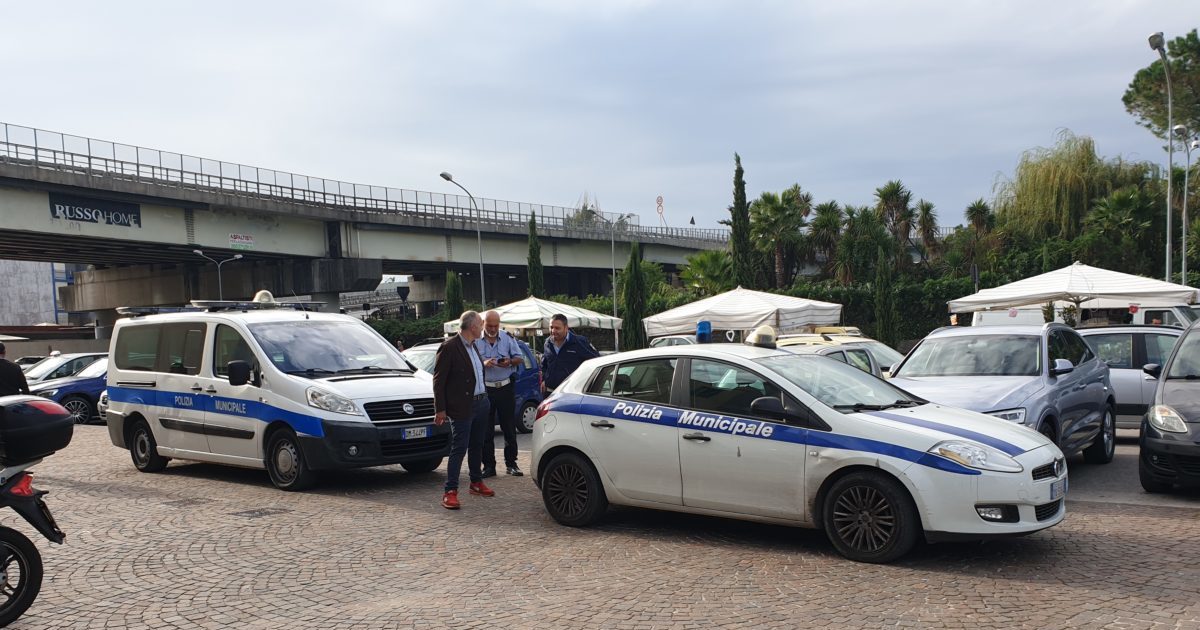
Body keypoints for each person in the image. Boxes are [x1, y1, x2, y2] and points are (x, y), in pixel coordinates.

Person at [433, 311, 495, 510]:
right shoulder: (450, 347)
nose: (483, 326)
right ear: (472, 327)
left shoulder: (474, 346)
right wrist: (440, 409)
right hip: (462, 406)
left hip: (481, 402)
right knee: (459, 448)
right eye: (480, 323)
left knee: (478, 444)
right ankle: (450, 491)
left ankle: (476, 482)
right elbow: (439, 380)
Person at [475, 310, 523, 478]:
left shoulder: (508, 338)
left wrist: (509, 361)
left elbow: (520, 358)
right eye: (490, 325)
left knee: (509, 427)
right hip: (486, 389)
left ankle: (512, 464)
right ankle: (489, 466)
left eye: (496, 325)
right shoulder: (475, 340)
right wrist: (483, 363)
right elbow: (470, 362)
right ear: (483, 323)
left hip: (505, 387)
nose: (493, 329)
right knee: (485, 429)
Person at [541, 314, 599, 394]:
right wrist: (544, 380)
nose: (553, 331)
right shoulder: (547, 343)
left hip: (571, 393)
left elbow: (596, 361)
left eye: (557, 328)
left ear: (566, 328)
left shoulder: (579, 342)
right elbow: (544, 365)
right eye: (551, 327)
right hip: (550, 392)